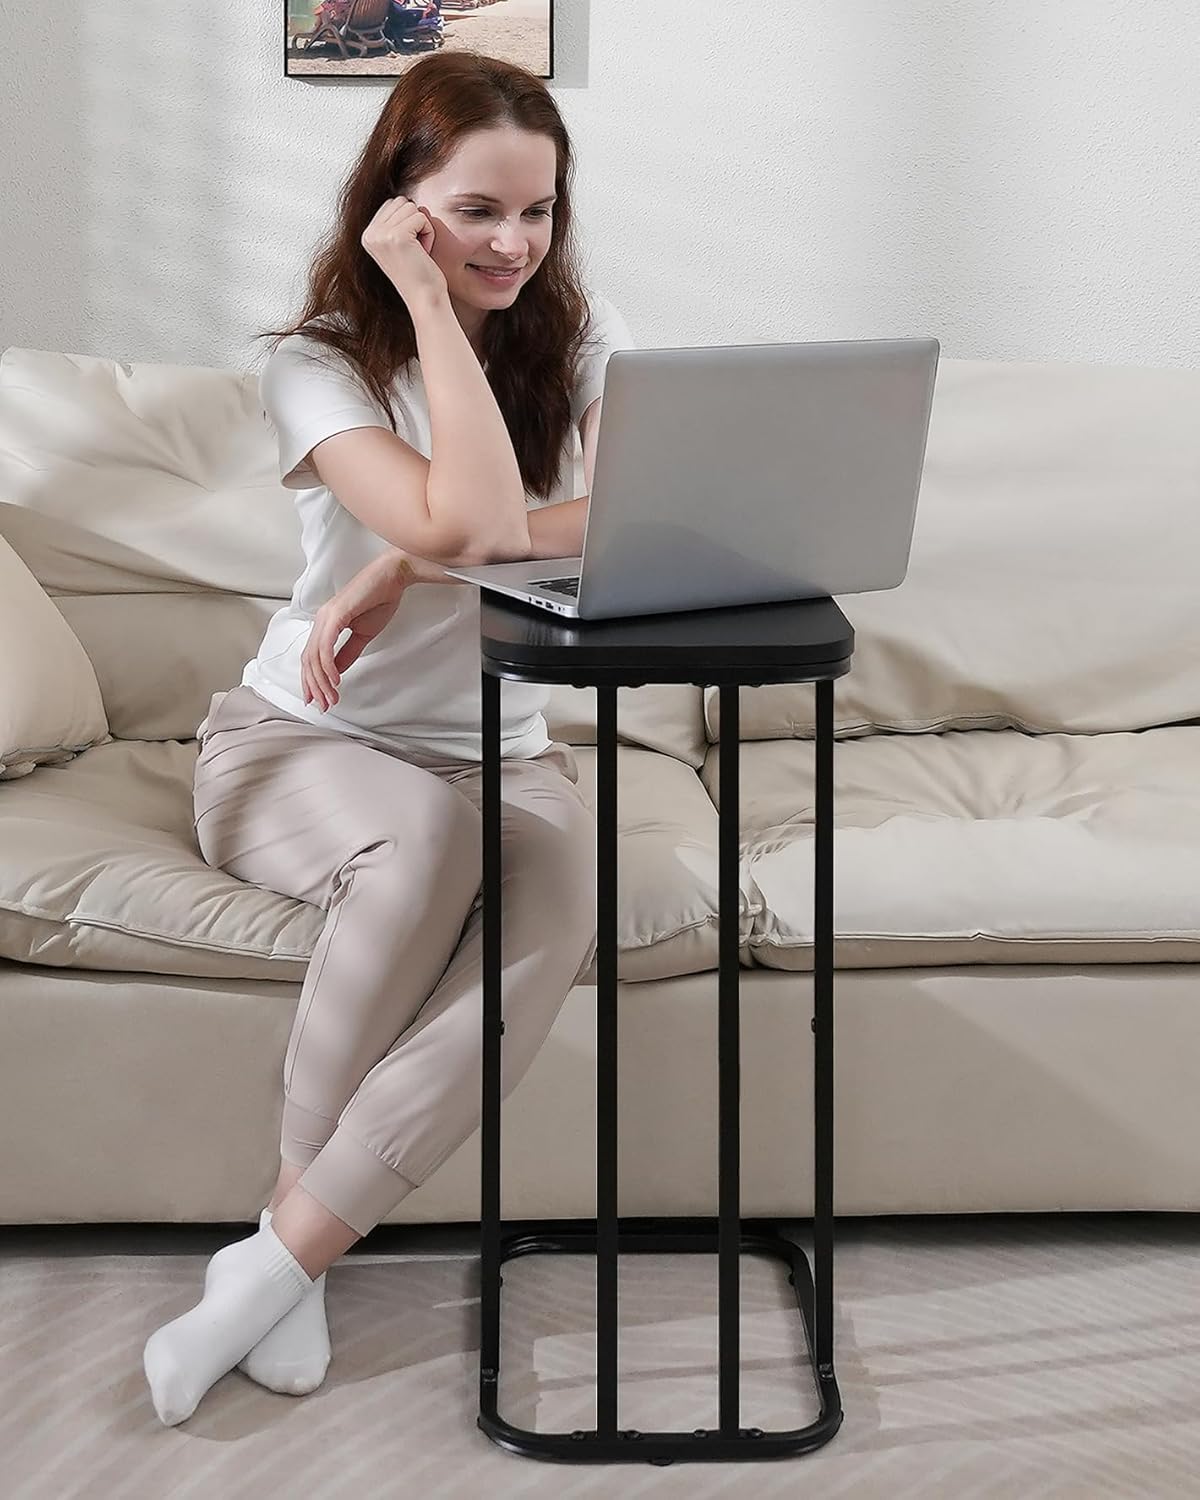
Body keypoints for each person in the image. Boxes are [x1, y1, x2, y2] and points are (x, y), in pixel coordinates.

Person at [142, 50, 634, 1426]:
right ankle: (289, 1274)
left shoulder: (577, 346)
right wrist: (422, 303)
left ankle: (276, 1264)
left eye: (538, 214)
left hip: (505, 746)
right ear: (400, 203)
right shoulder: (313, 371)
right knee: (420, 842)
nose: (515, 245)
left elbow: (646, 513)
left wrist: (406, 568)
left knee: (560, 901)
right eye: (476, 212)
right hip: (292, 748)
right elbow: (475, 521)